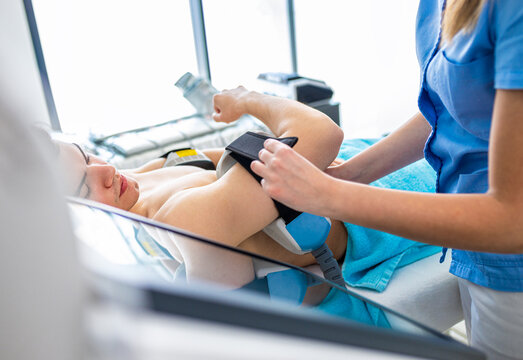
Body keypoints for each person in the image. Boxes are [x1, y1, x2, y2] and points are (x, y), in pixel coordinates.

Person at [251, 1, 523, 358]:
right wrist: (349, 174)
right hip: (467, 238)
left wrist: (328, 193)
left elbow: (512, 219)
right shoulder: (436, 7)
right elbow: (451, 105)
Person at [59, 87, 348, 285]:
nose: (107, 170)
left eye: (86, 155)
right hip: (364, 224)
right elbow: (323, 133)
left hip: (346, 168)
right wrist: (248, 99)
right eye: (85, 188)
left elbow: (240, 151)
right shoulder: (184, 220)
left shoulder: (135, 180)